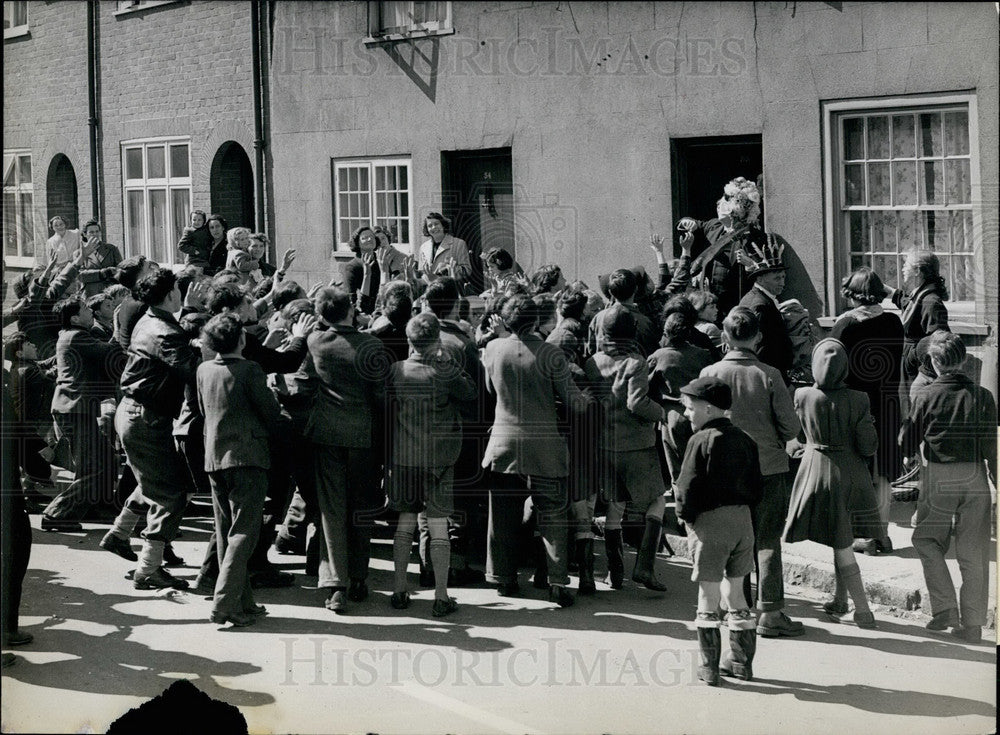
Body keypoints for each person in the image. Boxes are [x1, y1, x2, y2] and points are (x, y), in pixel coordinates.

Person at [701, 307, 804, 638]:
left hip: (723, 470)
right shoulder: (770, 375)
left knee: (731, 539)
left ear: (725, 337)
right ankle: (770, 612)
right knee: (767, 538)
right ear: (758, 337)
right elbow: (790, 427)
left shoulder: (709, 373)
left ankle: (734, 607)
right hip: (768, 467)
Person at [481, 294, 590, 607]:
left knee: (502, 515)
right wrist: (591, 400)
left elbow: (491, 391)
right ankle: (557, 582)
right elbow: (573, 402)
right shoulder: (551, 354)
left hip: (503, 443)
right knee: (553, 513)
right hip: (545, 445)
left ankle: (504, 578)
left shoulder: (492, 349)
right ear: (537, 320)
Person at [900, 332, 996, 644]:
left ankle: (944, 607)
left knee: (927, 540)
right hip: (975, 476)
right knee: (974, 551)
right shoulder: (983, 396)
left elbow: (906, 440)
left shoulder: (925, 396)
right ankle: (972, 623)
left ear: (933, 362)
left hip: (939, 475)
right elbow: (991, 448)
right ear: (964, 360)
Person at [114, 268, 203, 590]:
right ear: (170, 296)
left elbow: (173, 347)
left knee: (152, 480)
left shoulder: (149, 320)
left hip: (134, 413)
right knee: (172, 494)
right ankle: (149, 568)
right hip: (147, 417)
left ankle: (119, 534)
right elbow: (190, 369)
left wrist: (189, 320)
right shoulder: (166, 330)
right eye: (178, 290)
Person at [783, 339, 880, 629]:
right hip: (850, 475)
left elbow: (795, 434)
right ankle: (863, 611)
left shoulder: (801, 395)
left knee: (840, 540)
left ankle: (841, 601)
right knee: (843, 540)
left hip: (814, 472)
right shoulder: (860, 398)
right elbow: (868, 446)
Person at [387, 312, 477, 616]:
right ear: (437, 339)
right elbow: (470, 392)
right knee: (438, 525)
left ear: (409, 340)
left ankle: (400, 588)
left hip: (404, 458)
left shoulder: (396, 370)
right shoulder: (444, 371)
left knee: (405, 523)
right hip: (439, 458)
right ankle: (441, 594)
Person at [674, 377, 763, 685]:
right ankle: (740, 663)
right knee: (736, 592)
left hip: (711, 524)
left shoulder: (700, 440)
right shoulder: (745, 439)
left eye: (689, 408)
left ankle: (709, 667)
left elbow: (687, 486)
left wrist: (685, 516)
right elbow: (757, 485)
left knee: (707, 596)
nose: (686, 414)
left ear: (708, 408)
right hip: (743, 522)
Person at [305, 287, 388, 614]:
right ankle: (358, 578)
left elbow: (304, 377)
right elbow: (382, 395)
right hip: (363, 435)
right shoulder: (372, 345)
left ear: (322, 315)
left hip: (327, 433)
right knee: (362, 507)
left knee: (332, 508)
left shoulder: (316, 342)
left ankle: (334, 583)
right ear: (351, 309)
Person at [197, 313, 283, 627]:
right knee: (244, 533)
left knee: (226, 533)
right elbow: (271, 414)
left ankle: (242, 601)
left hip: (215, 457)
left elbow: (205, 410)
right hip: (248, 457)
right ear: (242, 340)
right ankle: (224, 604)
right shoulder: (251, 370)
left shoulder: (204, 369)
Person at [584, 304, 669, 592]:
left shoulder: (592, 362)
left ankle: (614, 573)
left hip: (605, 445)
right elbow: (637, 403)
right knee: (657, 501)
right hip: (637, 446)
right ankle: (645, 566)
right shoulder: (636, 362)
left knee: (615, 506)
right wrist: (662, 413)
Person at [830, 266, 904, 555]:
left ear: (852, 295)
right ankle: (882, 533)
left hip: (854, 406)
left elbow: (831, 367)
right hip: (887, 403)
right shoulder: (894, 323)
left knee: (856, 470)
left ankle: (864, 535)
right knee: (883, 472)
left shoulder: (846, 326)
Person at [40, 298, 125, 530]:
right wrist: (119, 326)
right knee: (95, 466)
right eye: (87, 310)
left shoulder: (70, 335)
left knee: (107, 459)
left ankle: (99, 506)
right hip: (75, 408)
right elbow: (110, 352)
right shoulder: (77, 336)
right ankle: (57, 514)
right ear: (75, 318)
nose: (91, 312)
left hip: (75, 407)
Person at [647, 311, 713, 490]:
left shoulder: (658, 356)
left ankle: (682, 510)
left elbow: (646, 386)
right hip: (699, 413)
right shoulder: (703, 355)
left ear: (666, 333)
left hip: (672, 415)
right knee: (701, 465)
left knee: (677, 470)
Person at [886, 250, 950, 386]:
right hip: (911, 365)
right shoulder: (920, 294)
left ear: (917, 271)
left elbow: (939, 342)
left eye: (905, 265)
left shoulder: (931, 302)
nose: (902, 268)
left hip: (918, 370)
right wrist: (887, 290)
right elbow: (908, 303)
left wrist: (912, 356)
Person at [737, 234, 794, 383]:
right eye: (777, 278)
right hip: (766, 378)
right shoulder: (759, 305)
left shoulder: (763, 299)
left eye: (783, 277)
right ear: (760, 279)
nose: (782, 282)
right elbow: (759, 348)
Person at [587, 269, 659, 357]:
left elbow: (591, 350)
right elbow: (651, 354)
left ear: (610, 292)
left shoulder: (597, 318)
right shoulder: (645, 322)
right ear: (636, 289)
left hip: (603, 368)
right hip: (636, 369)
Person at [418, 212, 471, 287]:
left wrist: (446, 268)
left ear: (443, 225)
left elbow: (467, 271)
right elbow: (422, 272)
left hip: (450, 289)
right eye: (430, 226)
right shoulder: (423, 247)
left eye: (436, 224)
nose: (433, 227)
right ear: (427, 229)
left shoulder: (459, 244)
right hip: (429, 291)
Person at [78, 220, 123, 297]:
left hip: (110, 292)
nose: (95, 234)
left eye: (97, 231)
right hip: (91, 293)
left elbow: (120, 270)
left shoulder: (111, 249)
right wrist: (102, 273)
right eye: (91, 232)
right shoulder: (79, 253)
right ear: (85, 234)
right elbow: (80, 276)